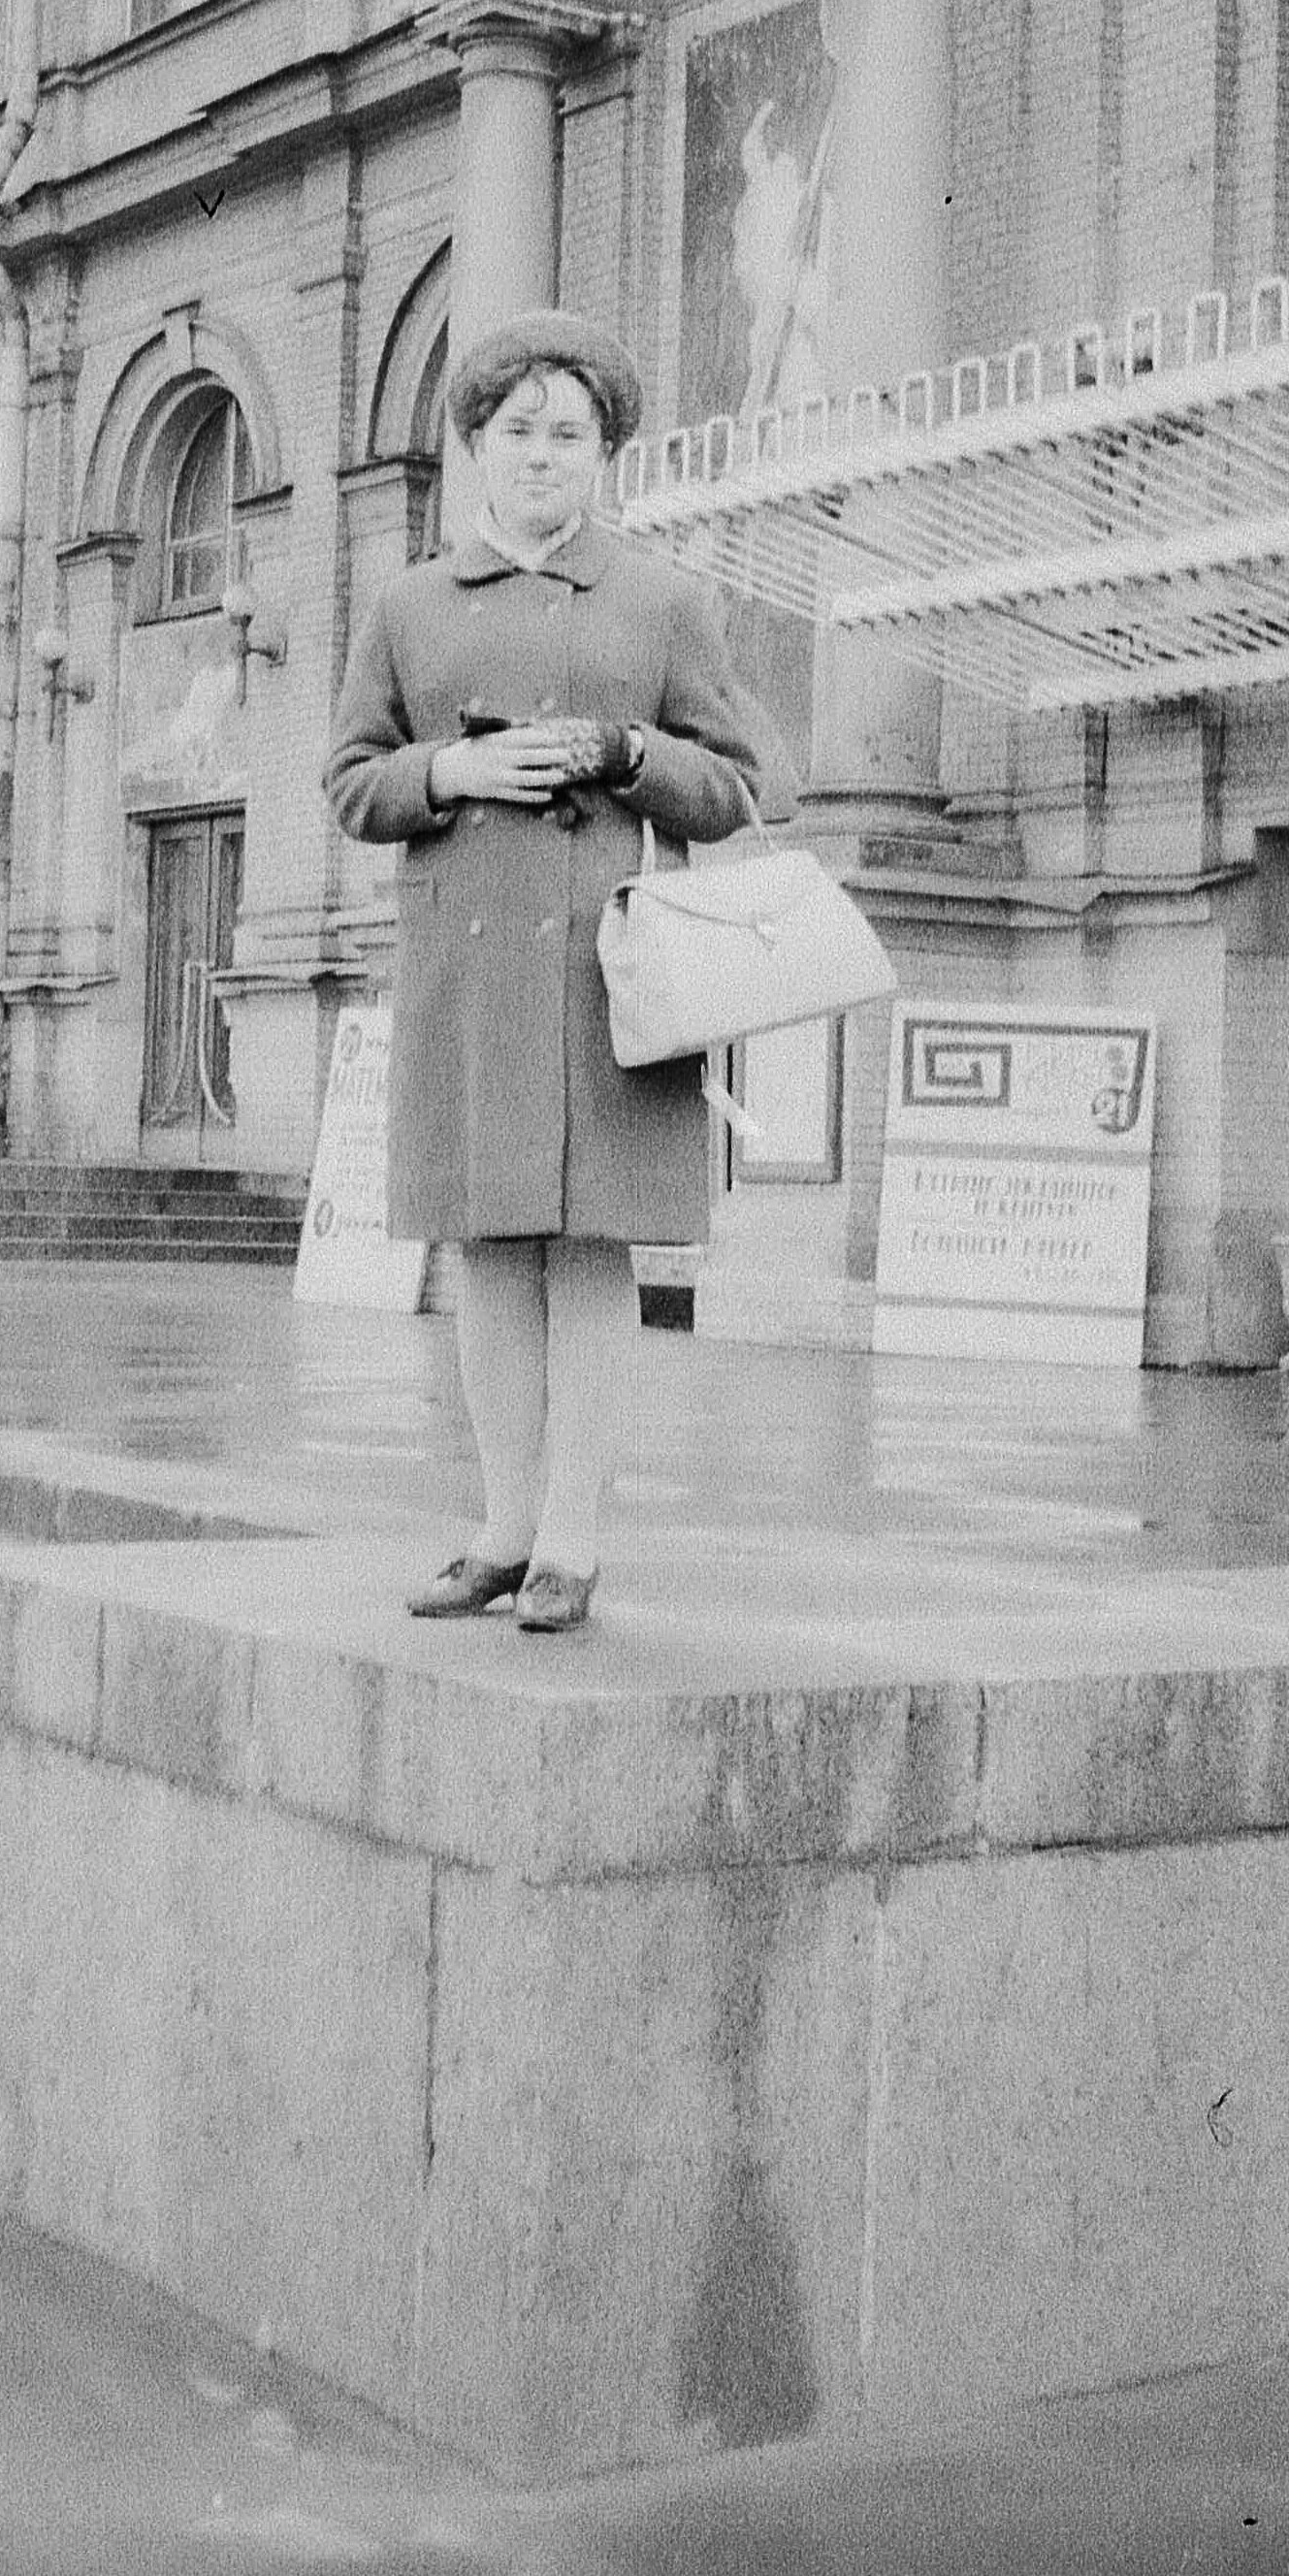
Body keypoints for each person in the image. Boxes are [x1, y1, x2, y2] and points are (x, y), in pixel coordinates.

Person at [323, 309, 783, 1633]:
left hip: (602, 979)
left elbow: (740, 786)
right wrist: (451, 770)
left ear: (604, 455)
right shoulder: (408, 605)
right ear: (475, 443)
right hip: (467, 978)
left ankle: (570, 1540)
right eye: (517, 429)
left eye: (569, 434)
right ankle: (503, 1529)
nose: (541, 454)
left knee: (587, 1249)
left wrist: (630, 755)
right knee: (488, 1248)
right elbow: (348, 782)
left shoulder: (663, 600)